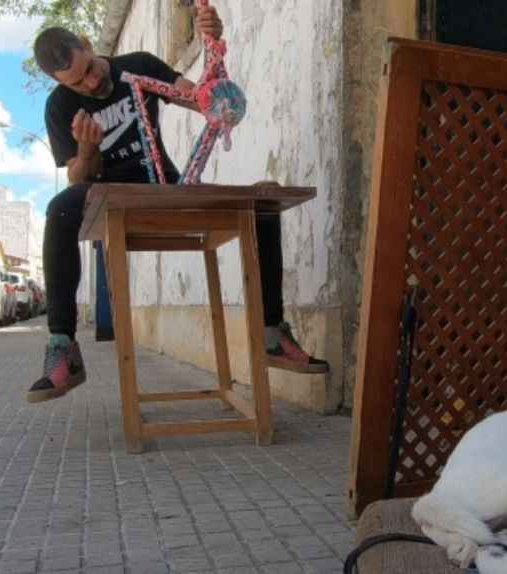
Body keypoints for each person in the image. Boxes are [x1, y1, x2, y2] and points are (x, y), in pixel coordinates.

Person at [26, 5, 327, 403]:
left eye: (90, 69)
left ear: (87, 44)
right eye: (78, 83)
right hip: (110, 194)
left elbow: (204, 100)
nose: (91, 82)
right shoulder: (59, 106)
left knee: (264, 201)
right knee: (60, 208)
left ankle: (271, 333)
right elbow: (80, 177)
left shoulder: (138, 65)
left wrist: (213, 44)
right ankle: (62, 345)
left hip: (162, 185)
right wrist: (86, 150)